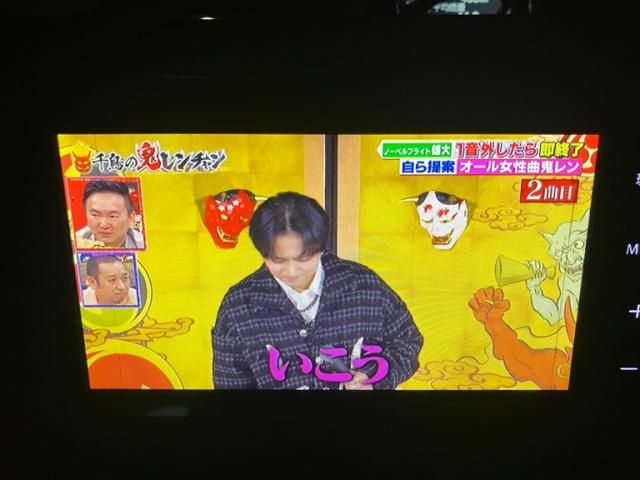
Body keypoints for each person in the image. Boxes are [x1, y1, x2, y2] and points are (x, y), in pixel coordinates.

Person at [212, 192, 423, 390]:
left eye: (303, 258)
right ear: (262, 252)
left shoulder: (364, 285)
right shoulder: (238, 306)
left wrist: (373, 377)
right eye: (278, 260)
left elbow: (407, 343)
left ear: (320, 248)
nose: (292, 271)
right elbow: (230, 384)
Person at [75, 180, 144, 249]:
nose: (104, 225)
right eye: (95, 215)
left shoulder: (144, 244)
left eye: (112, 216)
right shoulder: (74, 243)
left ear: (131, 217)